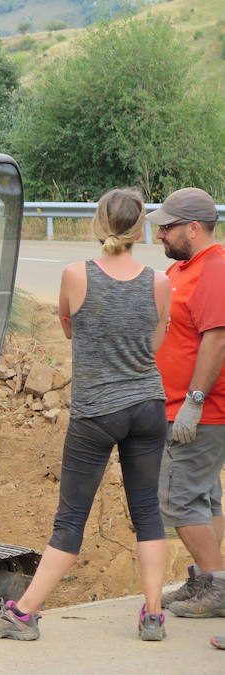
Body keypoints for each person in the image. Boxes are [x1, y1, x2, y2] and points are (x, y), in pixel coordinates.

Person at [0, 188, 171, 641]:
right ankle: (154, 615)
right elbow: (156, 343)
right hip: (147, 406)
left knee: (70, 519)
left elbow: (67, 324)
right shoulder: (159, 282)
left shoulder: (75, 275)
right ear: (141, 229)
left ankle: (22, 614)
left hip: (96, 411)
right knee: (147, 512)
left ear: (97, 224)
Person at [149, 187, 225, 620]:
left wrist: (194, 401)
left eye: (167, 227)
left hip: (199, 411)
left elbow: (217, 337)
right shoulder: (187, 267)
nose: (160, 235)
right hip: (183, 406)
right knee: (204, 499)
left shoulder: (212, 270)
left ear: (192, 229)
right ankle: (205, 580)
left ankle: (215, 586)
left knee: (178, 501)